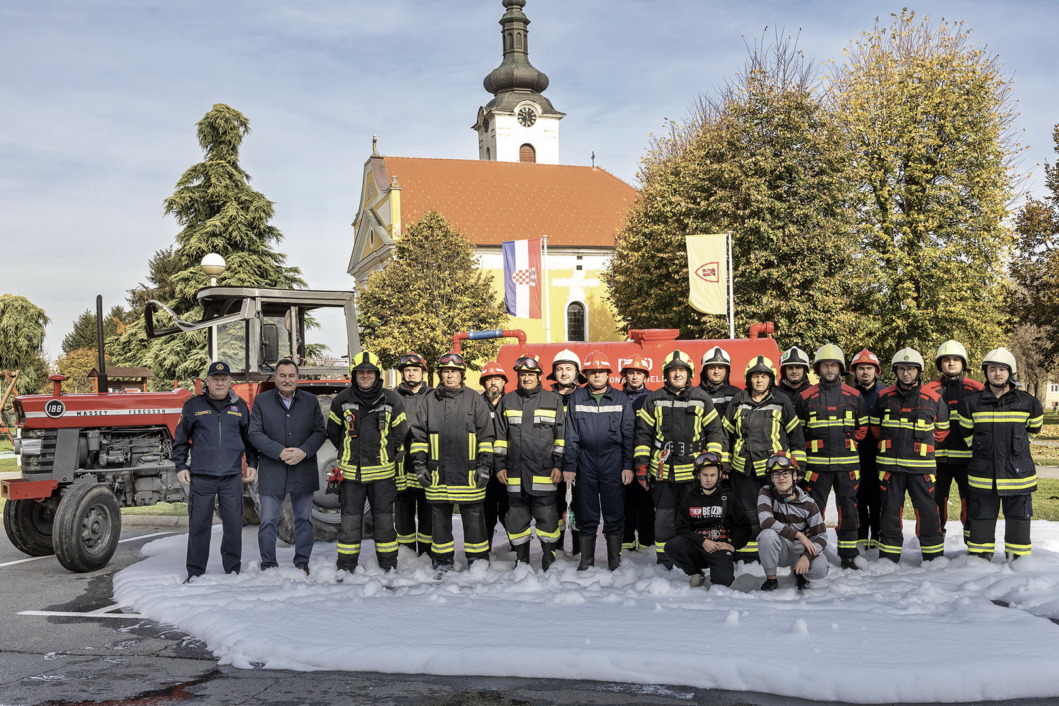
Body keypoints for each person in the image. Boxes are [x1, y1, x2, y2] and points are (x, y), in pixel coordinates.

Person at [634, 350, 723, 568]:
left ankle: (693, 556)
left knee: (695, 517)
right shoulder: (654, 399)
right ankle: (665, 560)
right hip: (663, 471)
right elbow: (643, 433)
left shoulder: (701, 398)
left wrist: (713, 463)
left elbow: (715, 431)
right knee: (664, 519)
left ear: (689, 373)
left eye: (681, 370)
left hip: (693, 471)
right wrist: (642, 464)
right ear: (666, 374)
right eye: (673, 371)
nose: (677, 375)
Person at [410, 351, 495, 575]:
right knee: (440, 522)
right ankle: (442, 560)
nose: (450, 376)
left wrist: (484, 467)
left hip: (469, 475)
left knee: (474, 519)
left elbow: (486, 436)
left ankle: (477, 560)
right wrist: (420, 466)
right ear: (440, 374)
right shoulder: (429, 401)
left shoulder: (474, 399)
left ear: (462, 374)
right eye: (446, 371)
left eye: (454, 372)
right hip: (438, 474)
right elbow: (418, 437)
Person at [173, 361, 258, 581]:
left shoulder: (240, 407)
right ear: (207, 381)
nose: (219, 383)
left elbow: (249, 440)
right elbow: (181, 438)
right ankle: (195, 571)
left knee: (233, 525)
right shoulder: (193, 406)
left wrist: (252, 463)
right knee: (199, 525)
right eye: (215, 379)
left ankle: (232, 570)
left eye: (223, 379)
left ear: (230, 381)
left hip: (231, 477)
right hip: (202, 477)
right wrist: (181, 465)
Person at [958, 348, 1044, 560]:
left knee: (1019, 518)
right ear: (985, 373)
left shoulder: (1028, 402)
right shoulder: (971, 403)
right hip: (983, 474)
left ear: (1010, 373)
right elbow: (967, 435)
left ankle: (1018, 560)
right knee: (981, 517)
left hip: (1018, 475)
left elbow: (1033, 431)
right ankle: (979, 560)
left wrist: (1018, 450)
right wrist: (984, 452)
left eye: (1002, 369)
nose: (997, 373)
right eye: (992, 369)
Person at [326, 351, 407, 574]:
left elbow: (400, 432)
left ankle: (388, 564)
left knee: (383, 522)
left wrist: (385, 454)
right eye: (361, 372)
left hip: (382, 475)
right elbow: (334, 432)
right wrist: (348, 452)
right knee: (349, 524)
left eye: (369, 372)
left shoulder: (392, 399)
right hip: (351, 475)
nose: (365, 375)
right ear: (354, 374)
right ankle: (346, 565)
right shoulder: (342, 400)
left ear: (376, 374)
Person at [723, 355, 806, 563]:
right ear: (748, 379)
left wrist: (800, 467)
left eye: (764, 376)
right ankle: (750, 558)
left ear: (771, 379)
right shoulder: (738, 401)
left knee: (780, 513)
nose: (759, 380)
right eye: (755, 376)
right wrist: (724, 463)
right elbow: (725, 435)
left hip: (776, 471)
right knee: (748, 514)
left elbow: (796, 436)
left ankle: (780, 554)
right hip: (744, 471)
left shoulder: (782, 401)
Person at [868, 348, 948, 563]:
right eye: (902, 369)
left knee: (928, 511)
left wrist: (922, 449)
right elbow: (876, 429)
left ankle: (933, 557)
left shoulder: (933, 399)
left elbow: (941, 431)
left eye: (910, 369)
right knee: (890, 511)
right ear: (895, 371)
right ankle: (889, 557)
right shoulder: (883, 397)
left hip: (921, 469)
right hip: (890, 468)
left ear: (918, 371)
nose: (906, 373)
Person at [248, 359, 326, 574]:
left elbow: (320, 431)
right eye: (282, 375)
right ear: (275, 378)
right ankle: (268, 564)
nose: (287, 380)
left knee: (304, 519)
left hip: (303, 467)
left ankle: (302, 562)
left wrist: (304, 451)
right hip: (273, 469)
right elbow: (254, 433)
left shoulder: (310, 401)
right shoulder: (262, 401)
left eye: (291, 376)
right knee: (268, 520)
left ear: (298, 379)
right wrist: (278, 451)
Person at [794, 344, 867, 569]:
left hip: (847, 466)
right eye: (825, 365)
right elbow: (799, 433)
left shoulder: (854, 396)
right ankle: (813, 553)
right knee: (814, 511)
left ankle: (849, 554)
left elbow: (862, 430)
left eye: (834, 364)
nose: (830, 368)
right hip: (817, 467)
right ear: (818, 368)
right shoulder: (805, 397)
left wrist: (844, 446)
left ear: (841, 368)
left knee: (849, 510)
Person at [563, 350, 635, 570]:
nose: (596, 375)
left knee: (614, 512)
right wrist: (570, 466)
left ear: (608, 375)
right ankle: (587, 560)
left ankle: (614, 560)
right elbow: (571, 435)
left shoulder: (621, 398)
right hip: (585, 463)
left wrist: (628, 465)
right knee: (586, 512)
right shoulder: (576, 397)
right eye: (592, 372)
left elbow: (628, 435)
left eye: (601, 372)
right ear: (586, 374)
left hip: (612, 463)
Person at [495, 354, 566, 570]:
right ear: (517, 376)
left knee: (548, 519)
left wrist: (558, 465)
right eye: (523, 374)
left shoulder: (553, 400)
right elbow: (500, 437)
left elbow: (561, 437)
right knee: (516, 519)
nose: (527, 378)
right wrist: (499, 465)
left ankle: (548, 558)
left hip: (544, 472)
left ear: (539, 377)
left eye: (531, 375)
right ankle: (522, 560)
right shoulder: (508, 401)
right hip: (515, 473)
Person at [924, 340, 983, 545]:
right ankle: (935, 544)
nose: (951, 363)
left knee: (971, 502)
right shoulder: (928, 390)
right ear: (939, 364)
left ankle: (973, 544)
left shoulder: (977, 389)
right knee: (936, 502)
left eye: (956, 360)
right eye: (946, 360)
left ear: (963, 363)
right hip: (936, 460)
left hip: (969, 460)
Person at [664, 452, 751, 588]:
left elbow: (744, 526)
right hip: (697, 546)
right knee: (671, 546)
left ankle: (721, 569)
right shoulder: (689, 498)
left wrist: (732, 545)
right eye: (705, 475)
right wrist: (702, 542)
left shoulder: (727, 497)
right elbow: (681, 528)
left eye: (712, 475)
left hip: (719, 548)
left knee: (723, 581)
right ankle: (695, 573)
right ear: (698, 475)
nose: (708, 479)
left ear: (719, 475)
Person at [757, 454, 828, 591]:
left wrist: (807, 556)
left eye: (785, 473)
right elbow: (765, 521)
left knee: (820, 569)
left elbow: (822, 537)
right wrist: (799, 535)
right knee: (767, 535)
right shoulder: (766, 493)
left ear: (794, 476)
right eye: (776, 474)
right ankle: (771, 580)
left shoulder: (809, 504)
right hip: (780, 550)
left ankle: (801, 573)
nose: (781, 478)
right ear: (772, 478)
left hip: (801, 550)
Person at [394, 352, 433, 556]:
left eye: (415, 370)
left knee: (428, 507)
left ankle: (426, 552)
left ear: (423, 372)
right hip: (400, 463)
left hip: (426, 461)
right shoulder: (392, 396)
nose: (411, 374)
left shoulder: (433, 395)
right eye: (407, 370)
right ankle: (406, 553)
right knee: (402, 508)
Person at [548, 349, 583, 557]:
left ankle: (579, 549)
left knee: (579, 506)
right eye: (560, 369)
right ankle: (557, 548)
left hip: (579, 462)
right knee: (555, 506)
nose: (564, 373)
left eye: (569, 369)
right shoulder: (546, 397)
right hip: (553, 462)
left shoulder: (584, 397)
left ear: (577, 372)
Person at [850, 349, 884, 554]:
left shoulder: (885, 393)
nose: (865, 372)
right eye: (861, 368)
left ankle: (878, 537)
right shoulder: (848, 394)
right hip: (856, 453)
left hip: (881, 453)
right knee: (858, 496)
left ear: (876, 371)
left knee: (879, 497)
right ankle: (861, 536)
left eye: (869, 368)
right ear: (854, 371)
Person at [620, 355, 655, 553]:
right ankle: (626, 543)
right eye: (631, 373)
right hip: (622, 461)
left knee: (646, 505)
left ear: (645, 376)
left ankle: (646, 544)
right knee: (625, 504)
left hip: (645, 459)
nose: (634, 377)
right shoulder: (617, 398)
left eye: (638, 373)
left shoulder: (652, 398)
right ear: (625, 376)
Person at [479, 360, 511, 553]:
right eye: (489, 379)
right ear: (483, 383)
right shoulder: (476, 404)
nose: (493, 383)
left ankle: (517, 550)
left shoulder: (511, 403)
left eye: (497, 379)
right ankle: (484, 553)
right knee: (485, 514)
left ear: (504, 383)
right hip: (482, 468)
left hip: (508, 468)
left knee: (509, 513)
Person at [698, 346, 741, 419]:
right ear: (705, 370)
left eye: (720, 367)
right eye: (712, 367)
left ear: (727, 371)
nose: (716, 372)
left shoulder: (737, 394)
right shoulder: (695, 394)